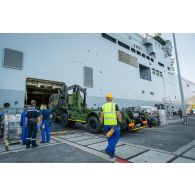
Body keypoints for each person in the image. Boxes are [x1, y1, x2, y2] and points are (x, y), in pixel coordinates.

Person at [100, 93, 122, 158]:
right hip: (113, 125)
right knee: (116, 137)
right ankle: (108, 149)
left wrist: (101, 123)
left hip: (106, 125)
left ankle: (112, 154)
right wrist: (121, 121)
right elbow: (118, 115)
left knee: (110, 139)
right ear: (111, 98)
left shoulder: (103, 106)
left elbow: (101, 116)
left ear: (106, 99)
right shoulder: (115, 105)